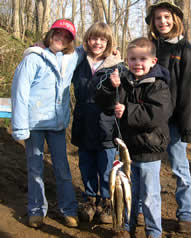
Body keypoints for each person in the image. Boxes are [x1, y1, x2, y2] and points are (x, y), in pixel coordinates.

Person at [94, 37, 172, 238]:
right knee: (127, 193)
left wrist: (127, 110)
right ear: (126, 61)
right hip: (126, 150)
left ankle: (153, 232)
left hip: (149, 151)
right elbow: (104, 104)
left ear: (153, 62)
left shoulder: (159, 86)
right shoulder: (123, 81)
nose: (137, 63)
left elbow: (156, 115)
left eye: (142, 59)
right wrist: (112, 88)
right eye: (133, 59)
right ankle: (126, 229)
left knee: (149, 196)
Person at [11, 19, 85, 228]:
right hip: (33, 123)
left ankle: (68, 210)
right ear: (50, 34)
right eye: (57, 34)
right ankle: (36, 210)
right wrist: (20, 126)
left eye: (66, 36)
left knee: (62, 169)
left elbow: (93, 46)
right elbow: (20, 92)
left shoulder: (72, 57)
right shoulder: (33, 58)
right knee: (35, 167)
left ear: (71, 40)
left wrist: (113, 52)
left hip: (57, 124)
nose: (61, 39)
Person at [145, 0, 191, 233]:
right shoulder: (149, 47)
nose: (162, 22)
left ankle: (187, 214)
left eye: (167, 17)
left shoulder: (185, 50)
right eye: (158, 18)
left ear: (175, 19)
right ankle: (145, 210)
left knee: (180, 167)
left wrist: (188, 126)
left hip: (175, 123)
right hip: (151, 121)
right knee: (148, 168)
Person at [71, 22, 123, 224]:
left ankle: (107, 202)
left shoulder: (116, 64)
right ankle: (89, 199)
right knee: (86, 164)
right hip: (83, 120)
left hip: (106, 124)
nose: (98, 43)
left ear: (109, 42)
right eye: (94, 38)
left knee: (107, 166)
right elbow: (61, 53)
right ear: (87, 40)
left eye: (103, 39)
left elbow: (124, 93)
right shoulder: (78, 61)